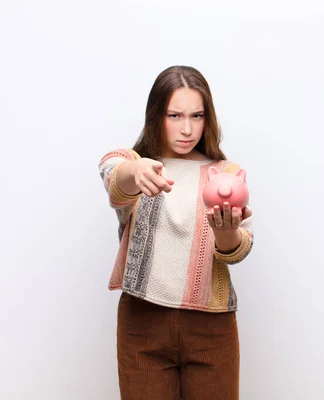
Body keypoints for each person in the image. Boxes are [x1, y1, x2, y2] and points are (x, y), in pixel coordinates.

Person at [98, 65, 254, 400]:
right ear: (156, 115)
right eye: (174, 115)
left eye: (197, 116)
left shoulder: (226, 174)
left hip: (212, 330)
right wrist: (134, 169)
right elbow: (112, 172)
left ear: (207, 119)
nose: (187, 129)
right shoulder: (140, 168)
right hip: (143, 323)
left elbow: (237, 249)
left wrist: (226, 234)